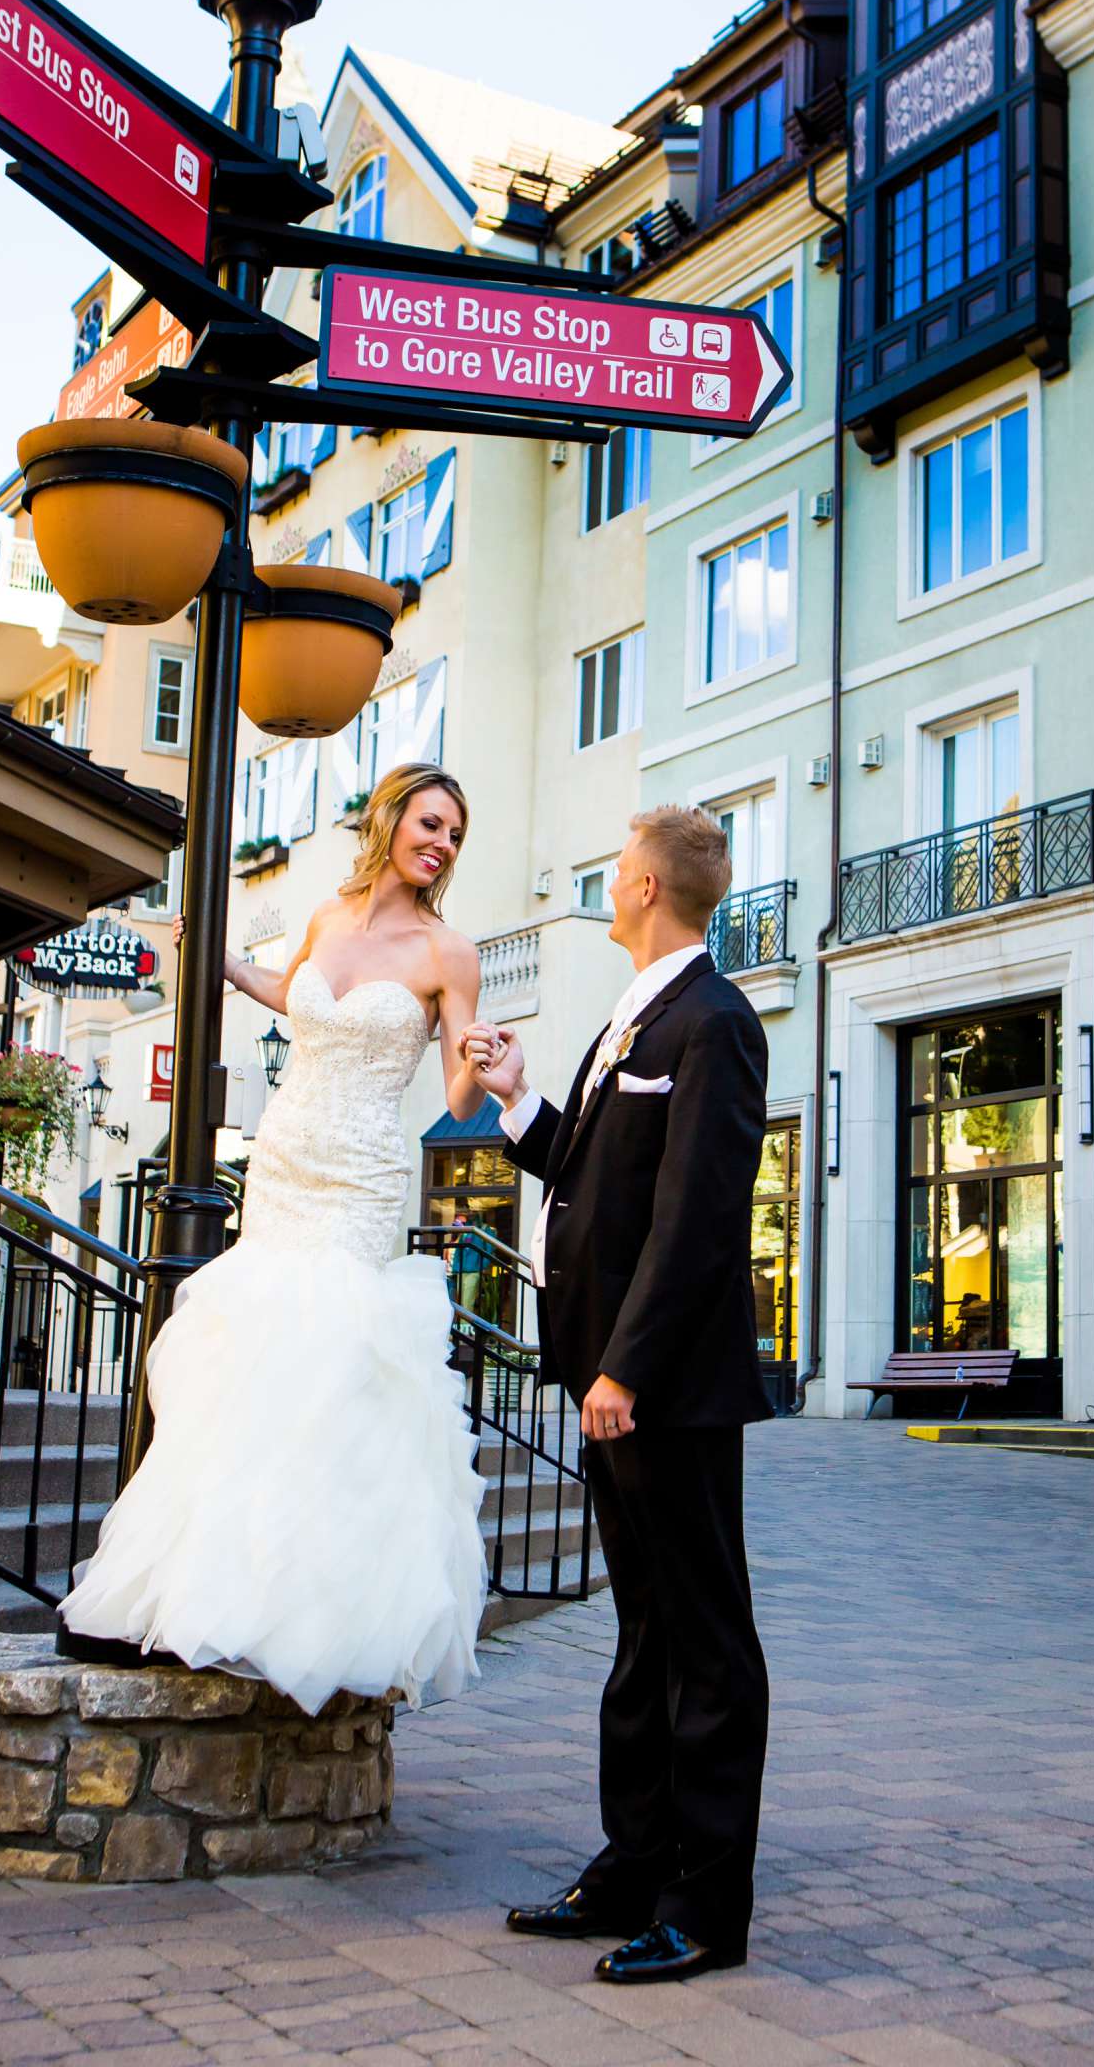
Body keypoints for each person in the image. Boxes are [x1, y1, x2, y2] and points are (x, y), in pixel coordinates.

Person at [60, 765, 492, 1714]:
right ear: (389, 822)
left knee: (329, 1362)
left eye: (456, 834)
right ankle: (205, 1592)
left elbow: (459, 1088)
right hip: (284, 1165)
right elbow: (292, 993)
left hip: (363, 1179)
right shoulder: (329, 919)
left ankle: (313, 1614)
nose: (443, 844)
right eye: (431, 823)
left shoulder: (447, 951)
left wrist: (482, 1064)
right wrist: (220, 965)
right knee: (254, 1362)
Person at [460, 804, 772, 1987]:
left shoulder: (716, 1024)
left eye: (613, 873)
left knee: (705, 1642)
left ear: (642, 885)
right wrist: (519, 1101)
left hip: (663, 1392)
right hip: (607, 1382)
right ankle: (631, 1867)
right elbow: (599, 1176)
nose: (606, 886)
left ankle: (705, 1908)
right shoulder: (627, 1020)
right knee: (641, 1635)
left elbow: (697, 1222)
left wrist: (626, 1368)